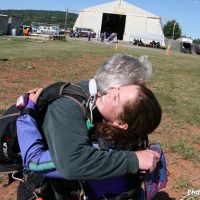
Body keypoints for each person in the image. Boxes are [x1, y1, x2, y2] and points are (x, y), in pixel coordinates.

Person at [17, 54, 160, 199]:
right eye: (117, 90)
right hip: (44, 187)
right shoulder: (69, 109)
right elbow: (48, 162)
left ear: (121, 124)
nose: (111, 92)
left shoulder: (112, 136)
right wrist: (26, 114)